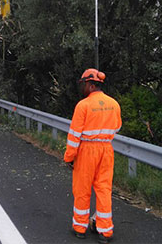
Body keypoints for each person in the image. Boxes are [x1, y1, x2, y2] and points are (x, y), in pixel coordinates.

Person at [64, 68, 122, 244]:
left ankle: (80, 228)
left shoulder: (83, 106)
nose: (82, 88)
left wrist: (69, 157)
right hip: (106, 150)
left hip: (87, 151)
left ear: (89, 84)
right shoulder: (114, 104)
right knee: (104, 189)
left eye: (83, 84)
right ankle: (105, 230)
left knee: (82, 189)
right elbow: (117, 127)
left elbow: (74, 136)